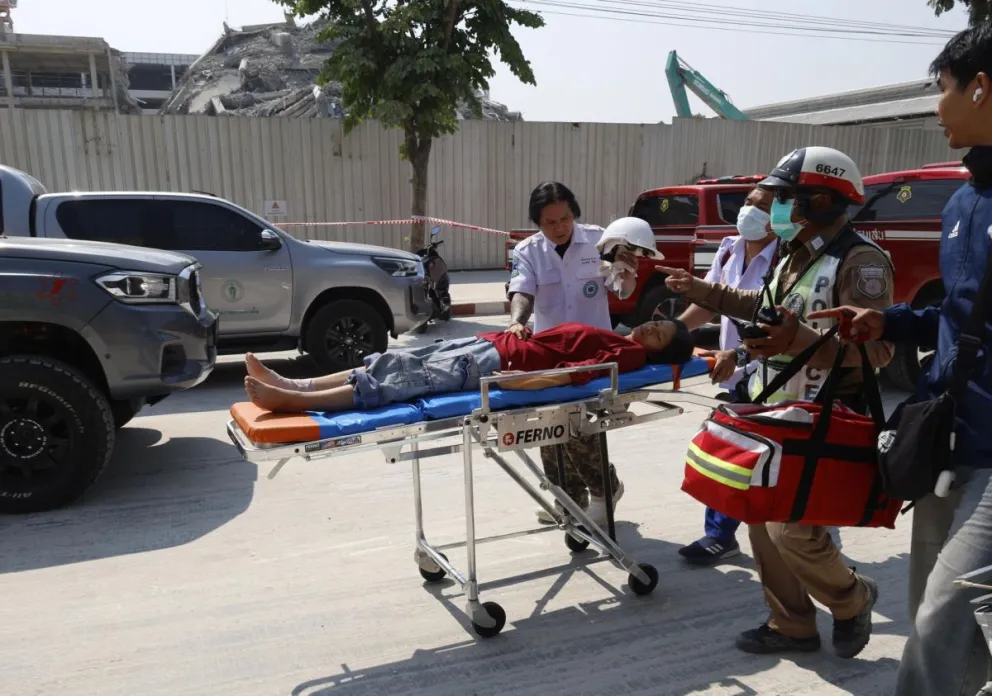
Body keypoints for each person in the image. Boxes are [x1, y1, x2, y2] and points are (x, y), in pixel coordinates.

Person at [808, 24, 992, 696]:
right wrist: (890, 320)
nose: (936, 107)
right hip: (951, 439)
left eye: (942, 88)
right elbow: (959, 314)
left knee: (942, 623)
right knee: (932, 614)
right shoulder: (964, 200)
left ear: (981, 87)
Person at [659, 145, 895, 659]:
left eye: (787, 198)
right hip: (776, 408)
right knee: (761, 522)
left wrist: (800, 339)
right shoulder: (795, 253)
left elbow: (878, 351)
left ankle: (853, 598)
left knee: (794, 532)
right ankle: (791, 625)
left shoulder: (860, 262)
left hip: (827, 413)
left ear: (823, 200)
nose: (778, 209)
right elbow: (762, 307)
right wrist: (701, 289)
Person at [507, 182, 653, 527]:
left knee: (584, 428)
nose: (559, 227)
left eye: (565, 218)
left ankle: (605, 491)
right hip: (550, 352)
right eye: (549, 222)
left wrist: (627, 273)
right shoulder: (528, 251)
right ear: (537, 222)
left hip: (594, 353)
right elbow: (522, 291)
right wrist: (517, 323)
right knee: (548, 430)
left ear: (574, 214)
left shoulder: (600, 241)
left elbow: (621, 289)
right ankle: (567, 501)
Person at [241, 319, 695, 413]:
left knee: (404, 378)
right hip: (493, 344)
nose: (650, 328)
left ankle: (298, 402)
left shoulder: (630, 356)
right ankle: (296, 384)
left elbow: (578, 374)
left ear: (657, 352)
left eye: (658, 335)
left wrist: (519, 383)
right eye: (657, 323)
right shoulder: (621, 337)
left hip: (501, 361)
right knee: (396, 359)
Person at [674, 185, 779, 566]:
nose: (750, 210)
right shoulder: (729, 248)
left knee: (761, 458)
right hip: (732, 370)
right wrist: (673, 333)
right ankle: (720, 535)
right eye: (749, 202)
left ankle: (781, 538)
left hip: (768, 371)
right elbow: (708, 303)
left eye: (763, 206)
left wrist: (739, 353)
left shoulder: (784, 258)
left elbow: (774, 320)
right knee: (729, 450)